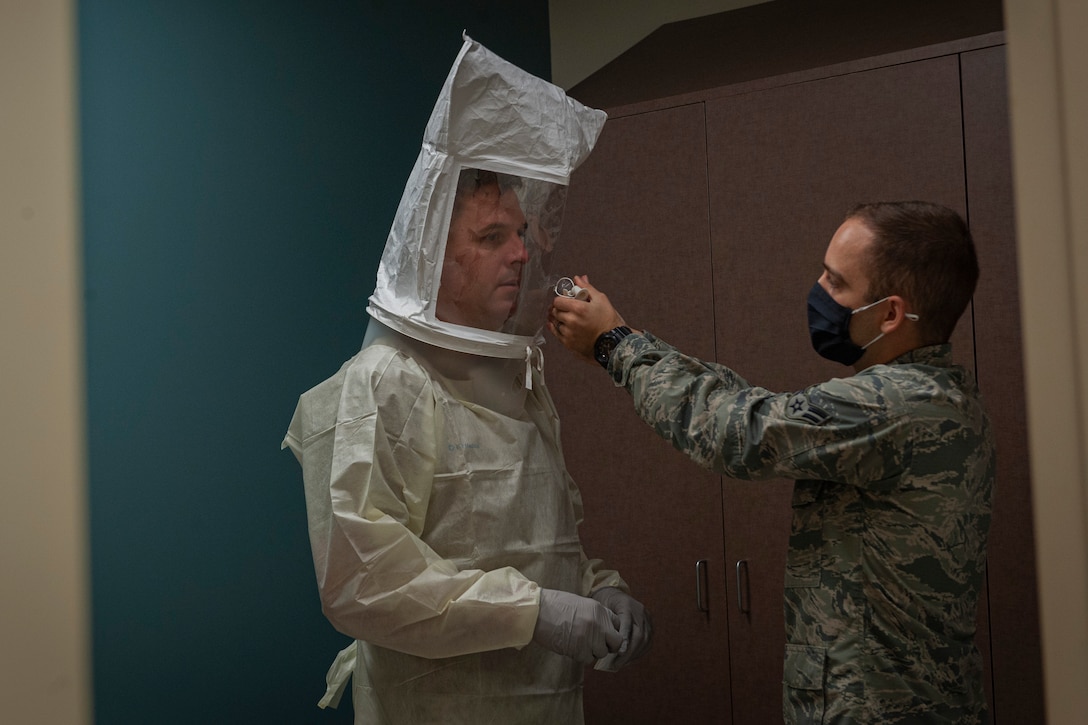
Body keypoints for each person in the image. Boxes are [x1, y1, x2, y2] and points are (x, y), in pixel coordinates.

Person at [282, 36, 651, 725]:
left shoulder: (515, 380)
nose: (521, 251)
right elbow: (365, 581)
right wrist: (538, 611)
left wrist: (601, 590)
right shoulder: (386, 384)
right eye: (491, 238)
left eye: (521, 232)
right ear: (430, 256)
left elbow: (532, 537)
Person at [549, 201, 994, 724]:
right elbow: (754, 405)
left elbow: (735, 430)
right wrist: (625, 338)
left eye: (836, 281)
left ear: (892, 313)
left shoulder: (891, 406)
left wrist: (615, 346)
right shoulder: (932, 396)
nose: (819, 292)